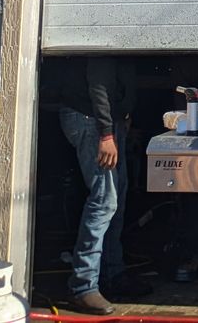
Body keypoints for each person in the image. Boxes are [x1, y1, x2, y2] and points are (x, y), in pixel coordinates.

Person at [48, 56, 138, 315]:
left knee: (116, 198)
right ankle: (82, 286)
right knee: (104, 199)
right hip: (91, 120)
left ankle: (113, 273)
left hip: (107, 120)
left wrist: (122, 116)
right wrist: (107, 133)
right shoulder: (105, 37)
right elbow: (99, 83)